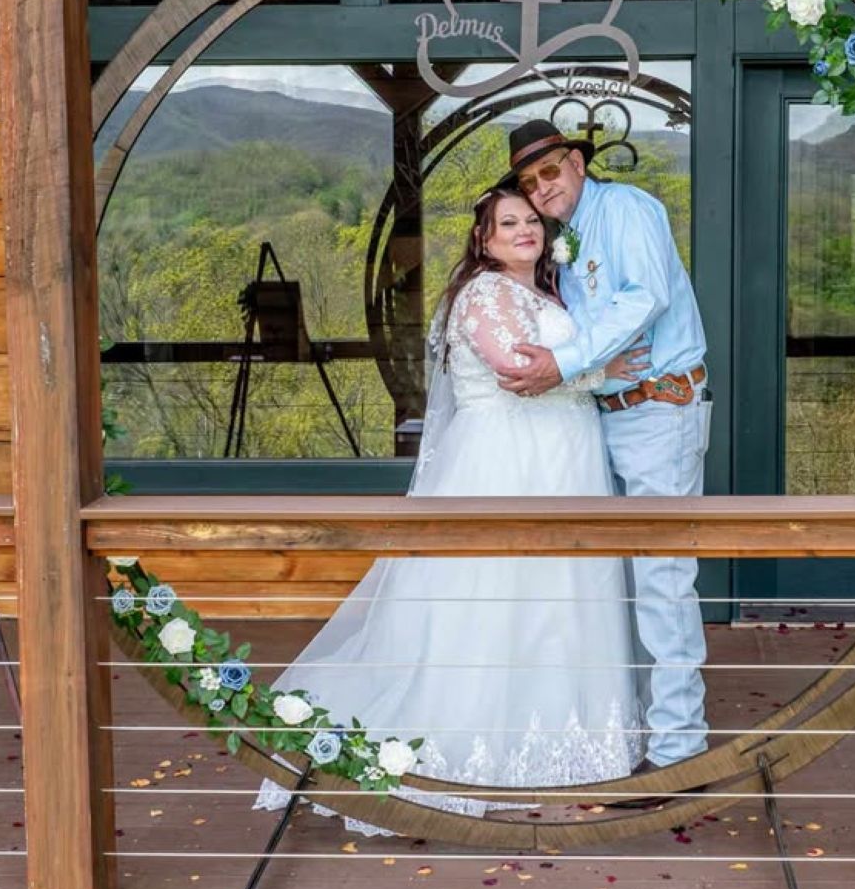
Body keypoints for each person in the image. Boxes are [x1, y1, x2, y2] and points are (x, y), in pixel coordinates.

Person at [255, 188, 648, 833]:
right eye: (508, 224)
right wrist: (602, 371)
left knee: (563, 592)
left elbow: (549, 363)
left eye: (532, 221)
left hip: (565, 455)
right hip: (506, 461)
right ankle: (468, 743)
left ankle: (562, 736)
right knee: (498, 592)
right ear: (484, 241)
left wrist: (590, 369)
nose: (525, 231)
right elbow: (511, 369)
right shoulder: (485, 294)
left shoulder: (548, 293)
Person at [495, 119, 711, 778]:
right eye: (530, 183)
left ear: (578, 164)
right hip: (605, 415)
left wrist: (562, 364)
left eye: (550, 171)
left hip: (659, 410)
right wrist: (586, 373)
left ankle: (678, 751)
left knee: (663, 580)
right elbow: (593, 322)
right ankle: (633, 732)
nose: (542, 188)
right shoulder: (568, 236)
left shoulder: (628, 209)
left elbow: (645, 299)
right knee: (614, 584)